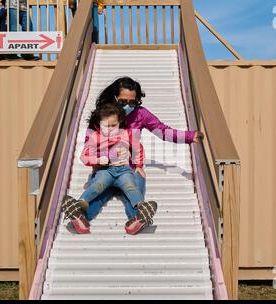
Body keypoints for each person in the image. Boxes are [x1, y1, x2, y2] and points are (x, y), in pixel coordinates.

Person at [80, 77, 205, 224]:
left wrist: (190, 136)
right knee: (100, 191)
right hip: (105, 168)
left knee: (135, 189)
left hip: (129, 168)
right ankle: (81, 216)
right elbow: (89, 145)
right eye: (122, 102)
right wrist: (101, 161)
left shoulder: (140, 114)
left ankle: (137, 219)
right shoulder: (103, 115)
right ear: (114, 97)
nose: (128, 106)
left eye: (132, 102)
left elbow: (163, 131)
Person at [62, 103, 157, 235]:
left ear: (120, 123)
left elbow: (138, 148)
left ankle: (141, 209)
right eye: (107, 126)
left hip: (124, 170)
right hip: (106, 170)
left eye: (114, 125)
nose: (111, 129)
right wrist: (98, 160)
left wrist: (139, 165)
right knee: (98, 185)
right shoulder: (95, 137)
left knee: (131, 186)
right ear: (98, 124)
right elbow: (85, 156)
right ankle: (80, 205)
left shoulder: (125, 134)